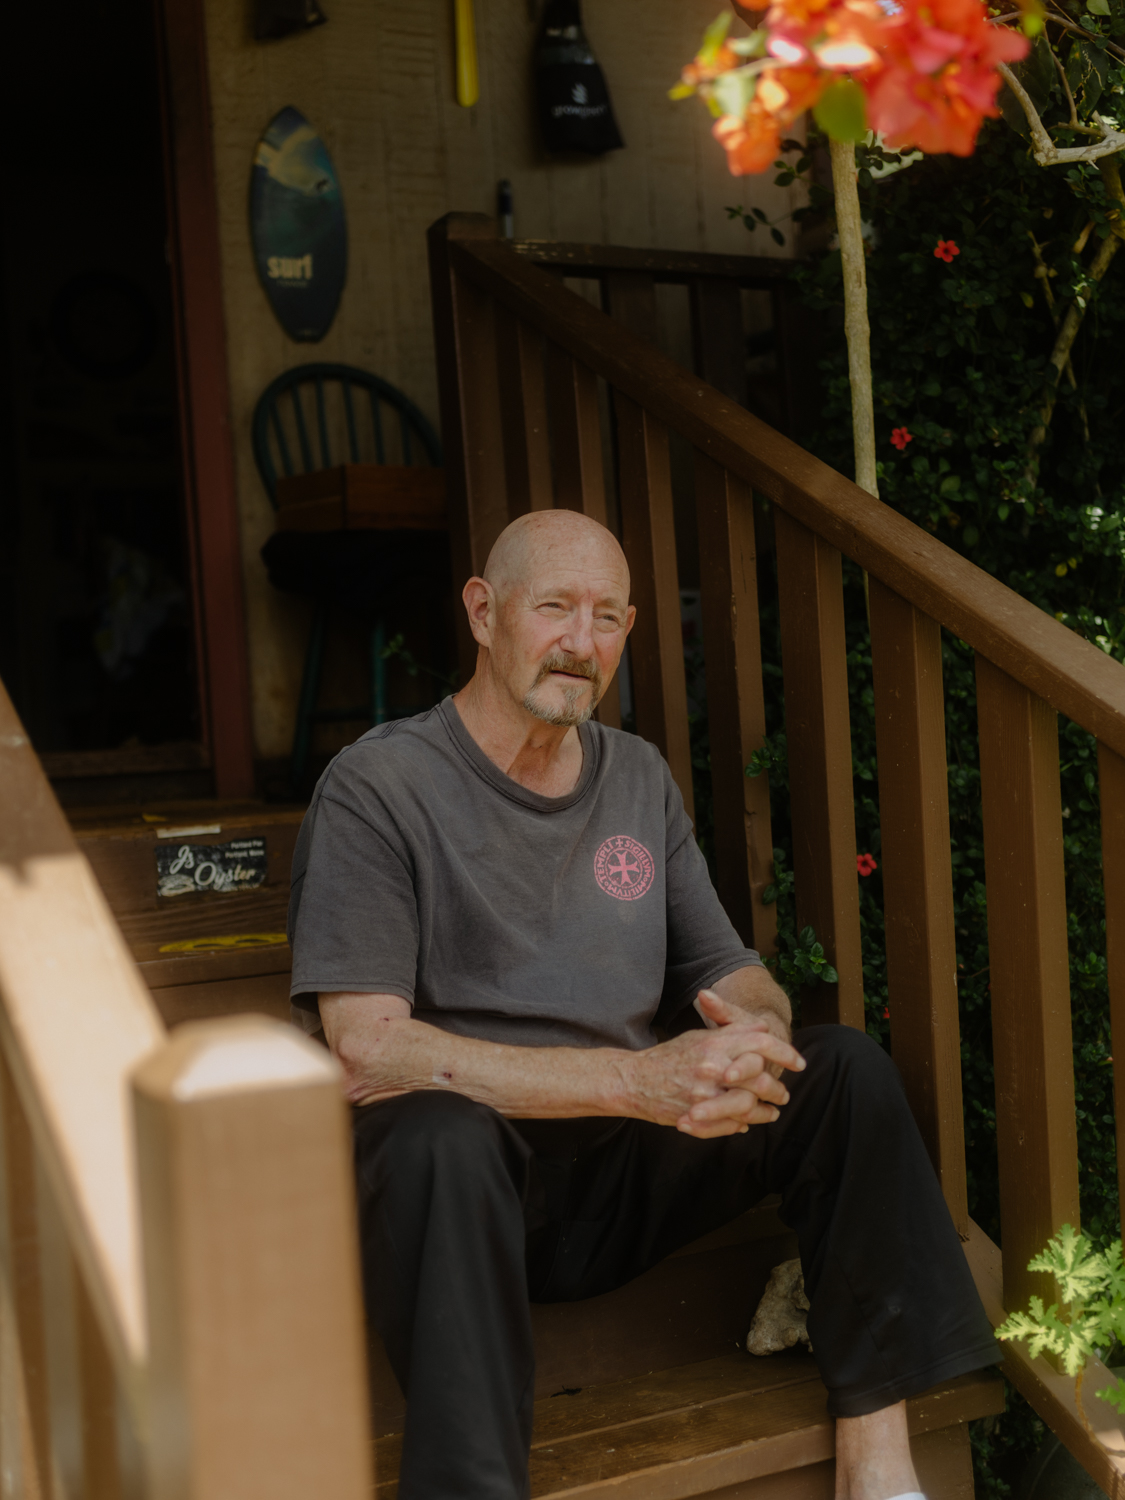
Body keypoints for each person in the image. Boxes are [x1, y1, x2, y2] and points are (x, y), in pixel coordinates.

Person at [288, 509, 997, 1500]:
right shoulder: (380, 785)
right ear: (484, 613)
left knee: (839, 1072)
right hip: (470, 1196)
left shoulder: (638, 778)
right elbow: (367, 1050)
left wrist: (758, 1035)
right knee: (432, 1137)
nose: (583, 642)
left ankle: (876, 1455)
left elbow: (727, 966)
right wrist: (634, 1078)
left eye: (610, 617)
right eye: (556, 609)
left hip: (622, 1170)